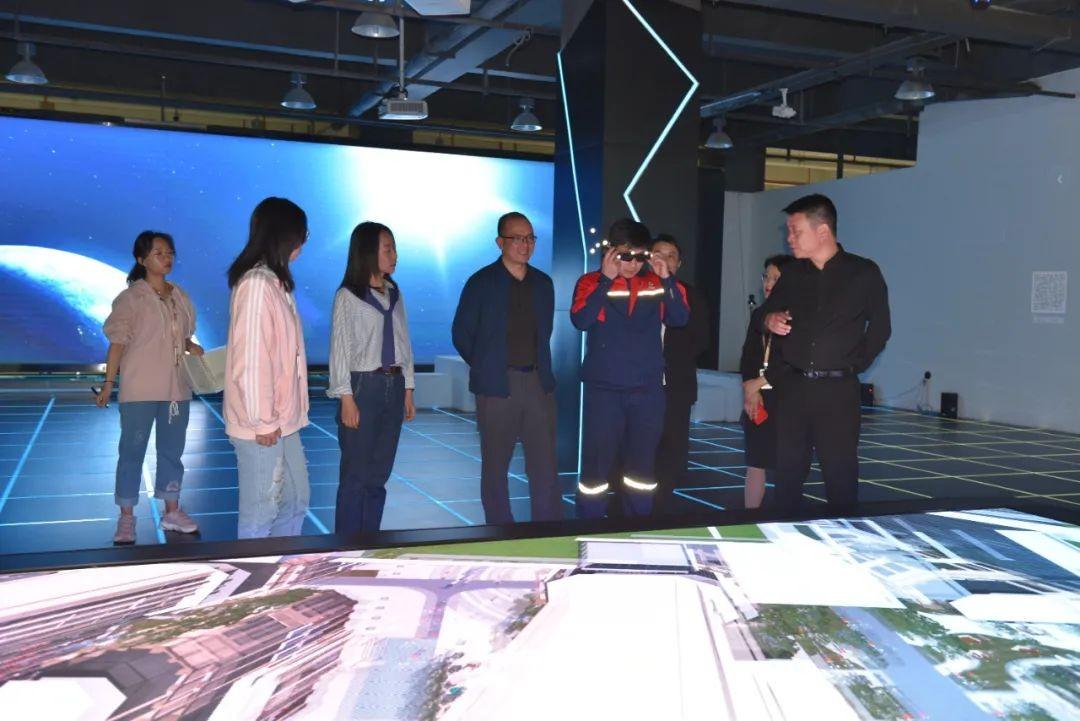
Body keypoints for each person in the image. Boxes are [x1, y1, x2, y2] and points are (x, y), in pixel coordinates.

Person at [760, 194, 891, 512]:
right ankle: (784, 533)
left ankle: (845, 535)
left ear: (822, 231)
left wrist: (853, 364)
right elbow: (763, 315)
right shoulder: (793, 275)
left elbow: (881, 328)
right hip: (793, 388)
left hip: (838, 392)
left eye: (795, 231)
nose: (789, 238)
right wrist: (770, 319)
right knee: (787, 476)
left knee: (840, 476)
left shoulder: (863, 273)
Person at [571, 218, 688, 519]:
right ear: (610, 252)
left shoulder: (658, 283)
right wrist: (606, 280)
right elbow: (581, 320)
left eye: (639, 256)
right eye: (625, 256)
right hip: (604, 392)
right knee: (596, 470)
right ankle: (588, 528)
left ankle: (637, 529)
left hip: (647, 392)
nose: (633, 264)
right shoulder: (590, 282)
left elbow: (679, 318)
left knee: (641, 471)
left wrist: (666, 279)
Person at [452, 212, 560, 524]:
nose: (525, 245)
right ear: (500, 242)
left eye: (530, 238)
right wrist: (488, 367)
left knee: (544, 466)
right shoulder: (481, 282)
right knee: (496, 467)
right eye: (517, 238)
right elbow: (462, 334)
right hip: (497, 387)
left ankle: (547, 530)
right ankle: (500, 530)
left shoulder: (543, 283)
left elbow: (545, 331)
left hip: (537, 383)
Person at [99, 231, 202, 544]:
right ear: (141, 259)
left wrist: (190, 346)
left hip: (176, 389)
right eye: (158, 253)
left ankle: (172, 511)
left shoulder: (180, 296)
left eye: (169, 252)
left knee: (172, 452)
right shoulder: (131, 298)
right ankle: (126, 517)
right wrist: (108, 384)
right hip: (140, 388)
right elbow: (118, 343)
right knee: (132, 452)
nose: (166, 258)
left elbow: (181, 336)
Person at [224, 197, 311, 539]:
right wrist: (262, 420)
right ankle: (252, 570)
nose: (304, 241)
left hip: (283, 419)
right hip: (261, 423)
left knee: (295, 499)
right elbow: (252, 359)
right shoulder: (258, 284)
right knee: (261, 511)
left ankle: (282, 564)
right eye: (302, 233)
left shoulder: (277, 284)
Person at [328, 222, 416, 535]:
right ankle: (345, 546)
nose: (394, 255)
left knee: (379, 474)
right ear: (367, 251)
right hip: (363, 387)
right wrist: (346, 398)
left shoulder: (395, 293)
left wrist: (408, 388)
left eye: (394, 248)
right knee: (356, 474)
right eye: (387, 248)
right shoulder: (348, 296)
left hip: (394, 385)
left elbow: (404, 341)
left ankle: (370, 540)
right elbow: (340, 348)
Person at [648, 234, 711, 514]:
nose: (664, 260)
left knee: (672, 452)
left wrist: (671, 356)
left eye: (671, 255)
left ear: (679, 263)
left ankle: (663, 507)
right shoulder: (636, 291)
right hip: (640, 386)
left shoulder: (691, 295)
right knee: (639, 450)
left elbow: (701, 339)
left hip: (676, 385)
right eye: (658, 254)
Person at [739, 254, 793, 509]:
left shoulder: (798, 315)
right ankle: (749, 516)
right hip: (759, 397)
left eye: (775, 278)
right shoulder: (760, 315)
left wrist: (759, 382)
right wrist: (751, 390)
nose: (768, 283)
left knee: (787, 465)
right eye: (766, 277)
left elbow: (792, 361)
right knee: (755, 462)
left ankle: (784, 518)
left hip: (787, 399)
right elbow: (748, 355)